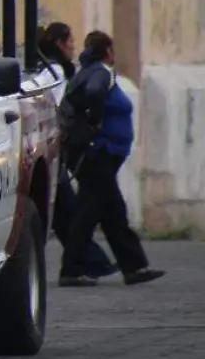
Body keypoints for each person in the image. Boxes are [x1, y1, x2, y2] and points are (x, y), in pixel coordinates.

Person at [58, 31, 166, 287]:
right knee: (88, 213)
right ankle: (72, 269)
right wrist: (95, 121)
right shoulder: (102, 72)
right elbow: (94, 92)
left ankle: (135, 267)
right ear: (107, 51)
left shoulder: (89, 71)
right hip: (100, 153)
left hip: (102, 155)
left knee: (113, 213)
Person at [37, 23, 116, 279]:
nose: (73, 47)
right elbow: (59, 106)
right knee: (70, 208)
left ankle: (89, 261)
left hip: (48, 145)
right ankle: (86, 262)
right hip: (53, 146)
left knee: (66, 210)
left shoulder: (45, 70)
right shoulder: (57, 71)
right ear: (60, 44)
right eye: (70, 41)